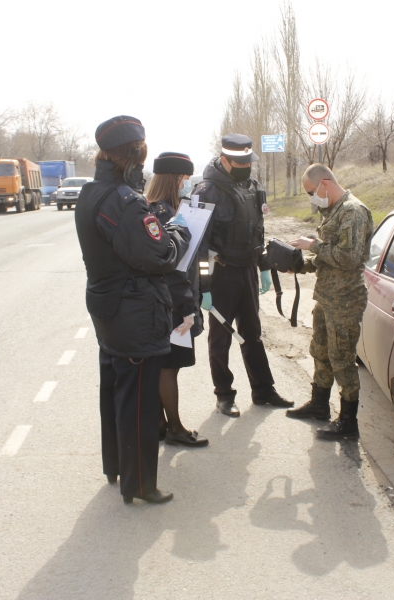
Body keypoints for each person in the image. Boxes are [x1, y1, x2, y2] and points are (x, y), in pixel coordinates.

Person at [75, 116, 190, 504]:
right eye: (141, 160)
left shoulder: (92, 192)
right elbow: (158, 256)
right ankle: (140, 485)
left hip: (108, 308)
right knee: (139, 401)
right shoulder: (124, 201)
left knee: (114, 393)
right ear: (133, 157)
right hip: (134, 312)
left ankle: (116, 466)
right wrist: (178, 233)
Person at [192, 134, 293, 417]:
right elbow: (200, 246)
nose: (246, 167)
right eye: (240, 163)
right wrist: (204, 285)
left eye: (249, 162)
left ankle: (263, 390)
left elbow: (257, 231)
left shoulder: (253, 186)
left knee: (253, 334)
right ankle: (224, 394)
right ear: (224, 160)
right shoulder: (206, 192)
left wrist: (263, 266)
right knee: (221, 339)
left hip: (247, 271)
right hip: (221, 275)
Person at [285, 163, 374, 440]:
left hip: (345, 301)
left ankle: (348, 422)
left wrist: (312, 245)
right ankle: (319, 404)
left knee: (342, 359)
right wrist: (301, 264)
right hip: (327, 297)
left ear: (324, 183)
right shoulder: (334, 210)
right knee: (320, 351)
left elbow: (348, 258)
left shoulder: (353, 212)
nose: (312, 198)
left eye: (311, 192)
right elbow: (328, 257)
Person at [144, 151, 208, 447]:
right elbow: (172, 269)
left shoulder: (162, 208)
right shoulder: (164, 214)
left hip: (167, 300)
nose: (187, 184)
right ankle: (175, 428)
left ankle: (160, 424)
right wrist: (187, 308)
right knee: (168, 367)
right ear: (172, 179)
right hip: (172, 303)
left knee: (164, 366)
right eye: (184, 179)